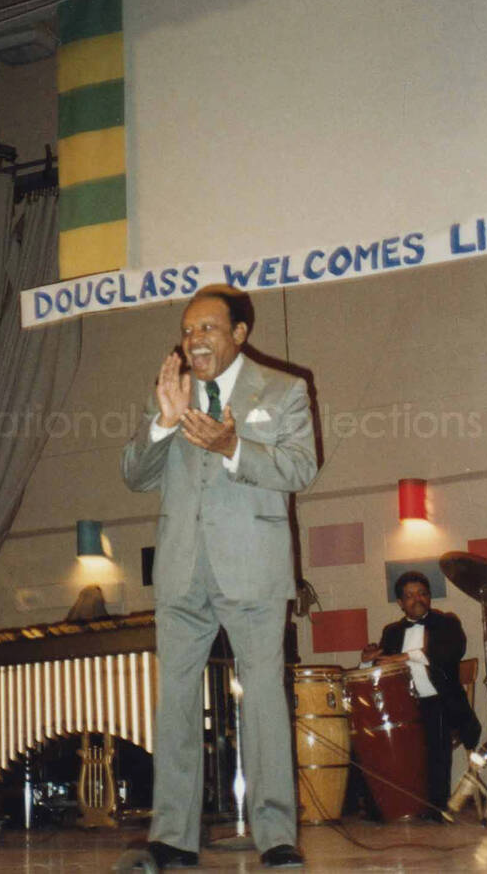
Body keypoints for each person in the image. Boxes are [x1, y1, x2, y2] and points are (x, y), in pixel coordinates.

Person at [122, 284, 317, 869]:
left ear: (239, 333)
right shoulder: (174, 393)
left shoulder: (283, 390)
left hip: (252, 570)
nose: (194, 339)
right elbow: (135, 476)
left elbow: (300, 467)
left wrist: (235, 446)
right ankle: (173, 838)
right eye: (187, 330)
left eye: (207, 328)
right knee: (174, 705)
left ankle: (276, 835)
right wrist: (162, 421)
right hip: (183, 570)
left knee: (262, 702)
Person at [361, 570, 481, 821]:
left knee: (434, 721)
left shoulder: (447, 623)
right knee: (373, 734)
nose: (417, 599)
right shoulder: (392, 632)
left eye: (422, 594)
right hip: (402, 707)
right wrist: (368, 661)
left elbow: (449, 653)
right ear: (400, 603)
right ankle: (385, 805)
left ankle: (436, 806)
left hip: (441, 702)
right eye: (410, 595)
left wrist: (404, 656)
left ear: (429, 598)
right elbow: (382, 669)